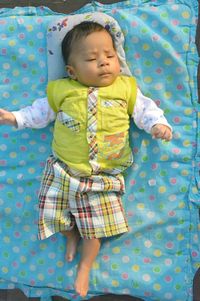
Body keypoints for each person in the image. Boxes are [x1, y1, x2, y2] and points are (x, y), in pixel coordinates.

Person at [0, 21, 172, 297]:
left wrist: (157, 126)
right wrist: (14, 118)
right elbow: (39, 113)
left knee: (96, 229)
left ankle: (85, 266)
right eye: (92, 59)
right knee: (52, 216)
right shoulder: (62, 91)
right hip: (64, 170)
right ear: (72, 71)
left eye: (110, 56)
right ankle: (70, 236)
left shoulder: (125, 89)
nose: (103, 63)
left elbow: (146, 110)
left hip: (104, 176)